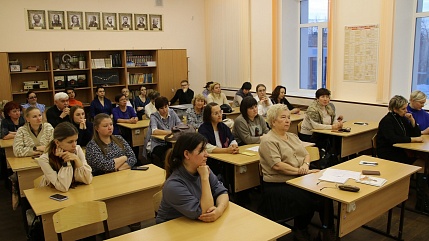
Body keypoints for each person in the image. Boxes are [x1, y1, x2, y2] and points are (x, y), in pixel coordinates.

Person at [259, 104, 334, 241]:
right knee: (309, 197)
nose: (288, 120)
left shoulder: (292, 136)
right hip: (280, 183)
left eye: (288, 117)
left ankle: (327, 230)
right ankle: (301, 229)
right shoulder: (268, 140)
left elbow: (306, 154)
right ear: (273, 121)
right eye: (283, 117)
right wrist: (301, 171)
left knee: (325, 193)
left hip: (299, 177)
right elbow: (277, 166)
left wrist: (305, 166)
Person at [156, 132, 229, 223]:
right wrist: (204, 178)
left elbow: (222, 192)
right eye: (202, 150)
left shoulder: (203, 169)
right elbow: (206, 212)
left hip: (194, 224)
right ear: (186, 154)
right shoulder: (173, 185)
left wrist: (219, 210)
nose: (207, 154)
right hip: (171, 230)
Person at [376, 95, 428, 212]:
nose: (406, 111)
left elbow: (416, 134)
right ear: (395, 109)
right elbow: (393, 139)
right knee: (422, 165)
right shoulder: (387, 121)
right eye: (403, 109)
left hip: (400, 151)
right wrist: (412, 140)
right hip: (389, 153)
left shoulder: (401, 118)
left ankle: (422, 200)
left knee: (424, 164)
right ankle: (421, 202)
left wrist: (412, 121)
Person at [37, 122, 93, 192]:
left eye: (76, 141)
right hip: (51, 193)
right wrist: (67, 162)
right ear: (57, 142)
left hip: (74, 191)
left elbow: (88, 179)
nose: (74, 145)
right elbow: (63, 187)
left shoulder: (77, 149)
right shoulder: (44, 159)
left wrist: (76, 159)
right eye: (70, 142)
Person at [198, 102, 238, 175]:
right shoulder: (203, 129)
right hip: (212, 160)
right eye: (216, 113)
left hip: (226, 158)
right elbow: (207, 147)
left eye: (220, 112)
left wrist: (234, 146)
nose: (220, 115)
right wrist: (226, 150)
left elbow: (231, 138)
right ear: (209, 116)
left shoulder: (223, 126)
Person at [143, 97, 182, 167]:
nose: (165, 110)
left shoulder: (172, 112)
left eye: (166, 107)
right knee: (167, 155)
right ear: (157, 109)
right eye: (161, 108)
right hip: (158, 143)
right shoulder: (154, 116)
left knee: (180, 152)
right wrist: (171, 132)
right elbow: (154, 131)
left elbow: (180, 125)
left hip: (171, 142)